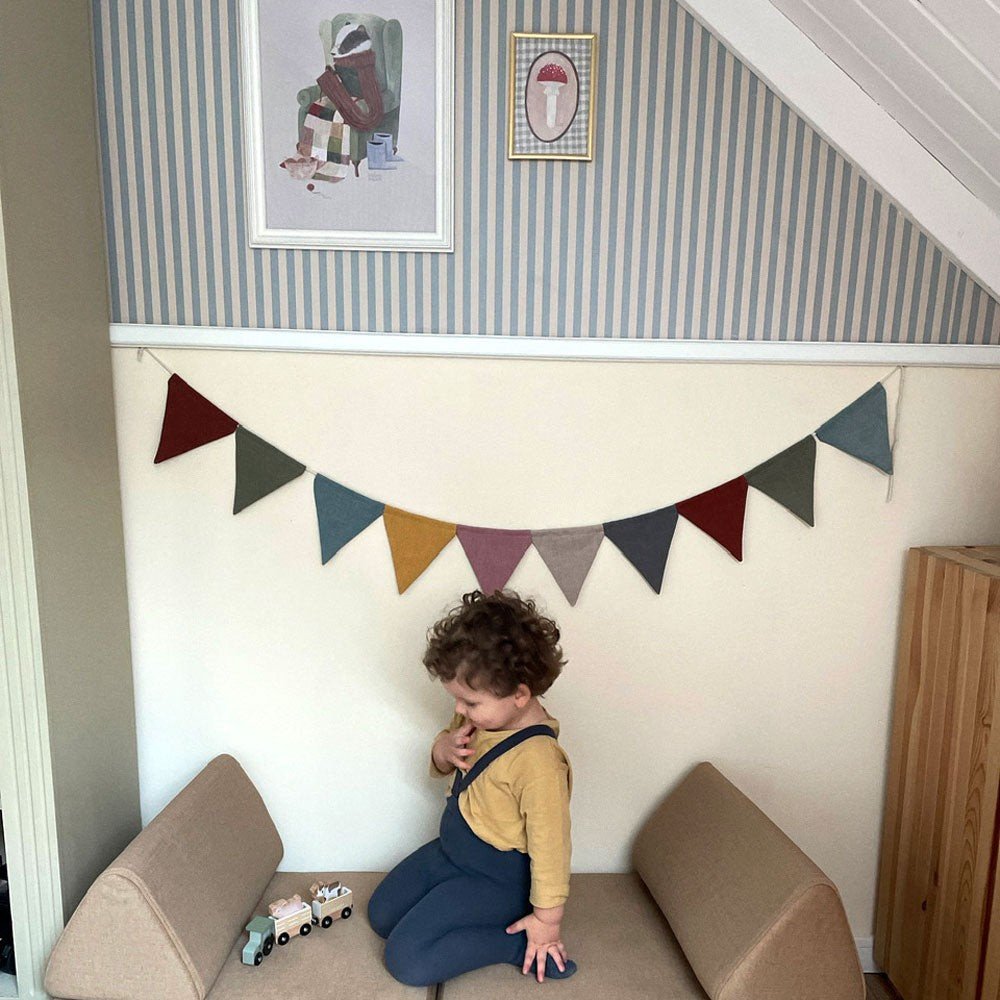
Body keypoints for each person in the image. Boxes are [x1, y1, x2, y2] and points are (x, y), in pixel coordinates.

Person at [368, 589, 577, 987]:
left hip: (495, 879)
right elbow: (450, 756)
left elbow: (552, 846)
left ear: (520, 694)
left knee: (406, 960)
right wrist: (442, 749)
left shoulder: (539, 763)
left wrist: (547, 921)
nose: (460, 711)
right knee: (381, 914)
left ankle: (513, 947)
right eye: (456, 700)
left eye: (470, 702)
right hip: (451, 854)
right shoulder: (484, 719)